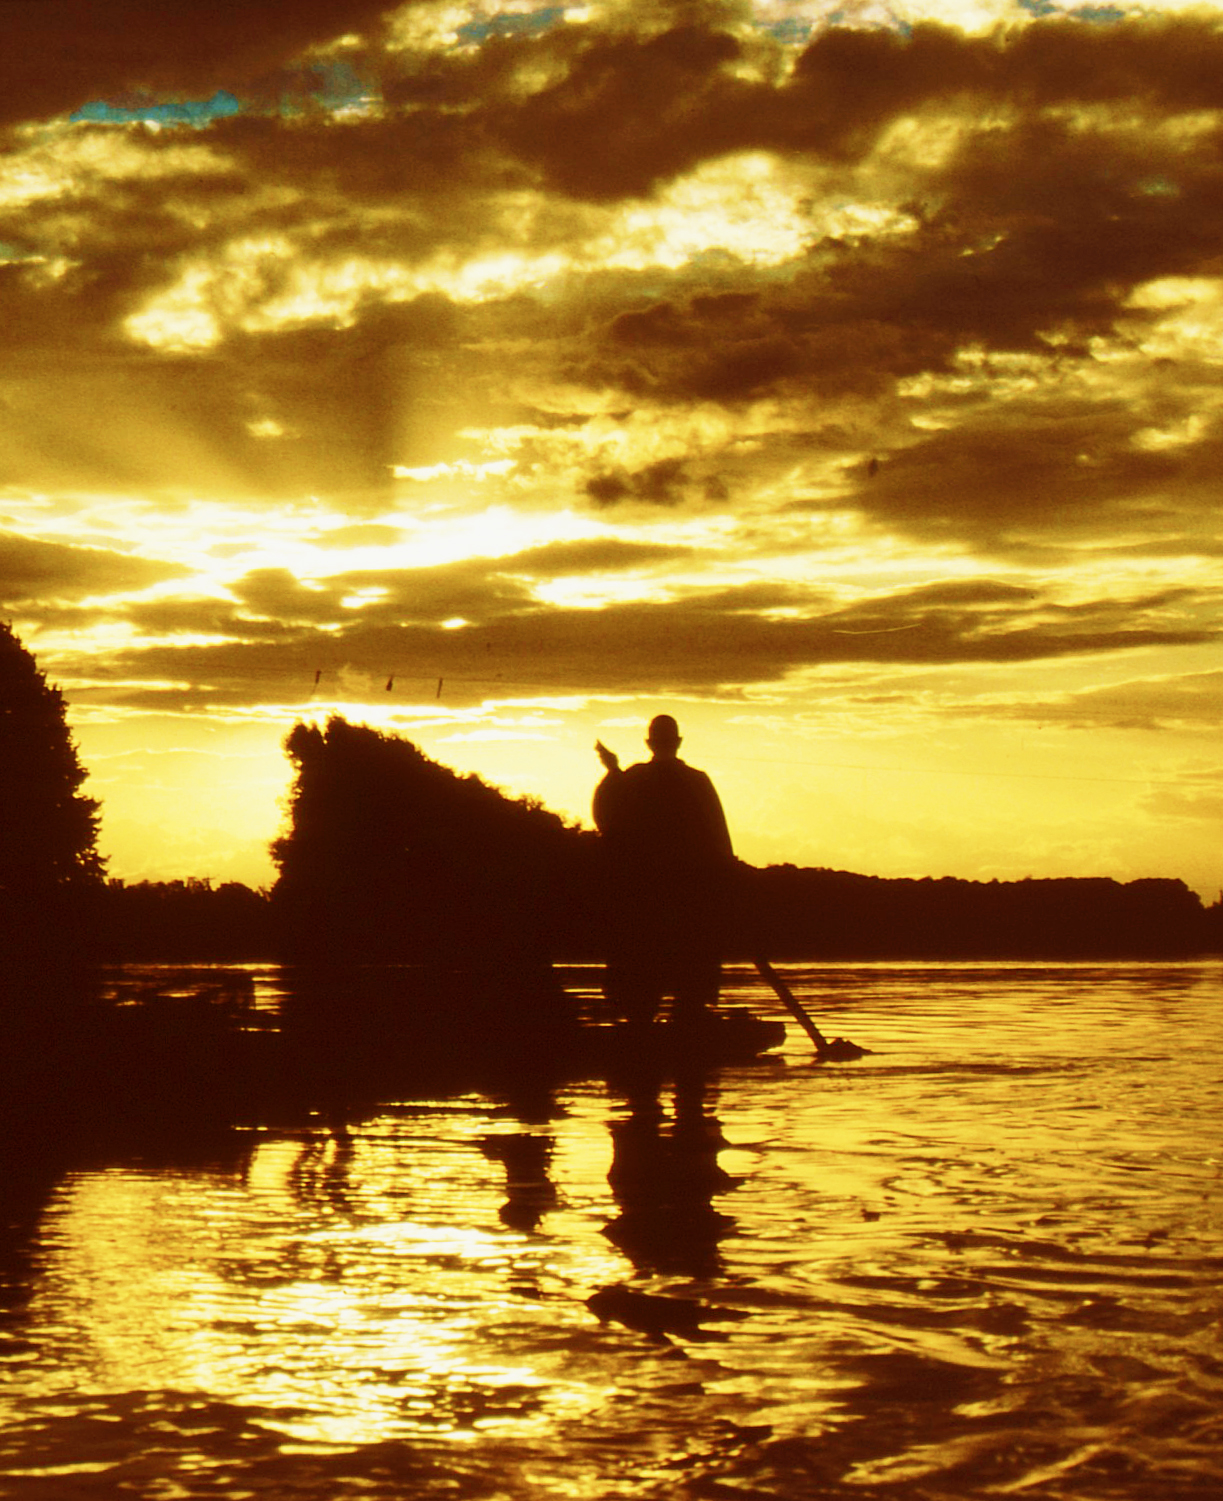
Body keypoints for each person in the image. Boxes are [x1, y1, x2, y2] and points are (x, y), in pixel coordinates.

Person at [592, 715, 734, 1030]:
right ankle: (680, 1022)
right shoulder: (694, 781)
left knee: (648, 971)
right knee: (685, 970)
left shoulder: (637, 779)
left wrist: (614, 772)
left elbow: (608, 819)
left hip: (653, 893)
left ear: (649, 744)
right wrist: (614, 772)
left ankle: (656, 1024)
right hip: (678, 893)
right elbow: (718, 838)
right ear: (678, 743)